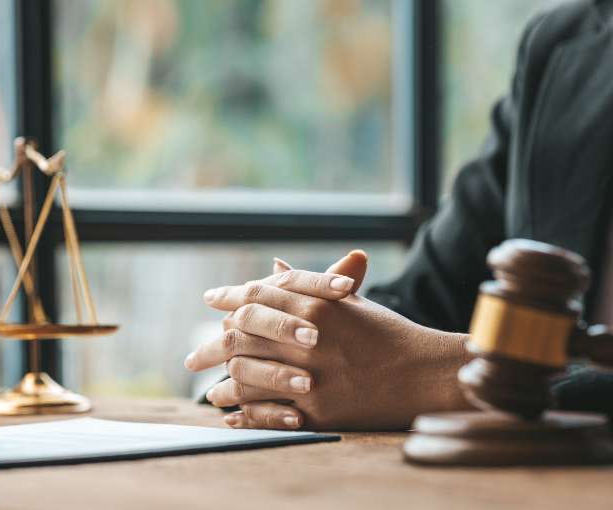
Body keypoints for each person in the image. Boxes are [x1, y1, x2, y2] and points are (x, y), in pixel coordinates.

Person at [184, 0, 613, 430]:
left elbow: (410, 365)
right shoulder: (566, 43)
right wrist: (294, 345)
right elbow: (423, 303)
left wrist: (448, 377)